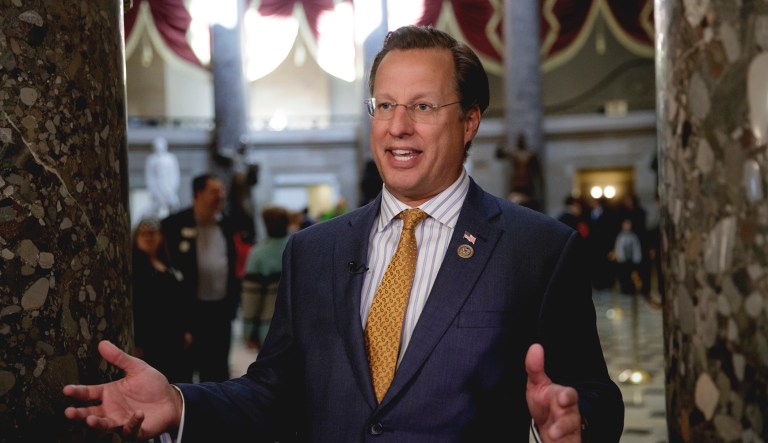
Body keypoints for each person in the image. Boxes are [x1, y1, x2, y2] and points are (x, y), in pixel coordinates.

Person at [63, 26, 623, 442]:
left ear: (470, 120)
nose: (397, 127)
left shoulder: (537, 250)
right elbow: (273, 393)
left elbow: (597, 397)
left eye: (422, 106)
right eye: (384, 106)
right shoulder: (314, 252)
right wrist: (181, 403)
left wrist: (578, 421)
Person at [160, 173, 241, 382]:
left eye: (222, 191)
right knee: (184, 370)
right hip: (189, 311)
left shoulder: (228, 224)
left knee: (217, 370)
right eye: (214, 191)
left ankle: (215, 412)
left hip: (221, 309)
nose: (221, 195)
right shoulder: (173, 225)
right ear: (198, 194)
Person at [131, 218, 192, 384]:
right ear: (136, 238)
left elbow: (180, 301)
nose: (148, 237)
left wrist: (185, 329)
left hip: (173, 335)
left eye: (152, 233)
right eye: (143, 233)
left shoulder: (168, 265)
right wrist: (138, 341)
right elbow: (138, 307)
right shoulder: (134, 268)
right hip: (151, 337)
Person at [240, 205, 291, 350]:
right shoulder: (300, 247)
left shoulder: (257, 254)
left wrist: (249, 332)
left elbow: (252, 297)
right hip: (300, 326)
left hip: (268, 329)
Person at [144, 136, 181, 219]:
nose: (159, 147)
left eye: (161, 145)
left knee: (174, 206)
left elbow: (175, 175)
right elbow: (149, 176)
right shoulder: (151, 159)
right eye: (157, 145)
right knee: (154, 209)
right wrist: (153, 189)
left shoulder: (171, 158)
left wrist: (173, 189)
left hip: (169, 187)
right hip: (157, 187)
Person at [613, 218, 643, 295]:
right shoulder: (620, 236)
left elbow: (637, 248)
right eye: (625, 224)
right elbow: (617, 247)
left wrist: (637, 258)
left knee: (632, 275)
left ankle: (632, 290)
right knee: (623, 276)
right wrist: (618, 257)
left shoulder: (634, 236)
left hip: (632, 260)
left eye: (628, 224)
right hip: (623, 260)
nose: (627, 226)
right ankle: (624, 290)